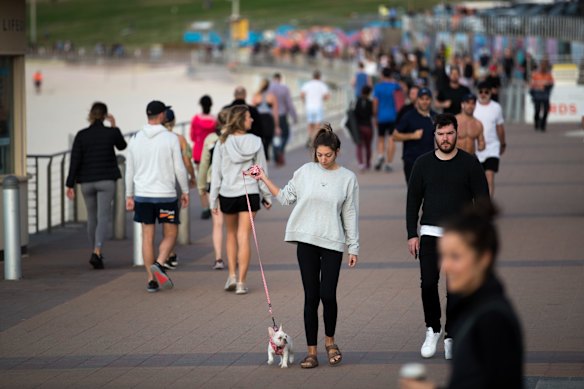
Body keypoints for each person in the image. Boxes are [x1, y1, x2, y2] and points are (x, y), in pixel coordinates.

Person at [252, 124, 359, 369]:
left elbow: (350, 213)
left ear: (337, 152)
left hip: (333, 242)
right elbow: (285, 197)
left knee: (328, 295)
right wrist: (263, 178)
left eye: (328, 155)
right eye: (319, 155)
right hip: (307, 242)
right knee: (311, 296)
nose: (323, 159)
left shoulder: (347, 178)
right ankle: (311, 352)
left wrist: (353, 247)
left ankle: (330, 342)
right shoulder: (304, 172)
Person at [400, 201, 523, 389]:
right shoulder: (471, 305)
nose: (446, 266)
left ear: (484, 258)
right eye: (443, 256)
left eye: (455, 256)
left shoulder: (492, 319)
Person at [406, 113, 489, 361]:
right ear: (435, 135)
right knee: (429, 283)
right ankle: (433, 328)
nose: (445, 138)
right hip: (430, 232)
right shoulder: (422, 164)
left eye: (450, 133)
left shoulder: (470, 163)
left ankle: (452, 334)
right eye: (441, 134)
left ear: (456, 133)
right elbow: (412, 202)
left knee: (455, 288)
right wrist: (412, 234)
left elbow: (482, 201)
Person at [125, 100, 189, 293]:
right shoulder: (170, 138)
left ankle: (151, 279)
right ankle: (160, 263)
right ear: (161, 116)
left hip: (143, 196)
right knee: (171, 234)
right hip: (166, 197)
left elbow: (130, 170)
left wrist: (129, 195)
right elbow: (179, 168)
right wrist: (185, 190)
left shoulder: (135, 138)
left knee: (147, 236)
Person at [210, 105, 272, 295]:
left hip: (228, 193)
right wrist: (266, 195)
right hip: (250, 192)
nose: (251, 120)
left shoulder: (222, 142)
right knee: (244, 236)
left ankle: (232, 275)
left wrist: (213, 199)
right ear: (240, 120)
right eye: (248, 117)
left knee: (230, 235)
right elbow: (260, 170)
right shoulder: (256, 142)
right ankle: (242, 283)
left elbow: (216, 173)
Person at [66, 102, 127, 269]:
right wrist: (114, 126)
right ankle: (97, 251)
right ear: (105, 115)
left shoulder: (81, 135)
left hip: (86, 182)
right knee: (103, 217)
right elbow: (122, 145)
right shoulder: (110, 133)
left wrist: (69, 184)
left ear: (91, 115)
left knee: (91, 218)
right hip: (106, 180)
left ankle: (95, 251)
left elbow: (75, 161)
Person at [163, 108, 196, 269]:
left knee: (164, 219)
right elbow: (187, 161)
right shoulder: (180, 139)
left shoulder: (158, 138)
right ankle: (170, 253)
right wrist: (192, 177)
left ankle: (167, 253)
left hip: (158, 182)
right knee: (171, 218)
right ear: (174, 122)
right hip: (174, 182)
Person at [198, 109, 229, 270]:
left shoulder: (211, 139)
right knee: (233, 225)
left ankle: (218, 258)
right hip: (231, 185)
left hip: (213, 183)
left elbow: (204, 164)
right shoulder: (234, 138)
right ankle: (235, 254)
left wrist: (201, 186)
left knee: (217, 223)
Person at [393, 88, 437, 183]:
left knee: (429, 192)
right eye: (422, 99)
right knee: (414, 193)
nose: (424, 102)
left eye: (427, 99)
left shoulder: (435, 117)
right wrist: (412, 136)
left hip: (430, 161)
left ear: (431, 100)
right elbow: (395, 136)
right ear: (417, 100)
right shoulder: (409, 116)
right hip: (411, 161)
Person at [474, 81, 506, 197]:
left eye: (486, 92)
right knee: (477, 179)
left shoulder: (496, 107)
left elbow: (500, 127)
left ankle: (488, 206)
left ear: (490, 93)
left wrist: (502, 143)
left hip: (492, 147)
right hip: (476, 149)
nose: (483, 94)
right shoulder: (473, 106)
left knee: (490, 176)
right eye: (480, 92)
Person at [190, 95, 217, 219]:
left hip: (198, 152)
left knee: (201, 180)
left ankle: (205, 207)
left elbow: (192, 136)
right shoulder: (215, 120)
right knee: (210, 179)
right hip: (211, 152)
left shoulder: (195, 119)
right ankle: (213, 204)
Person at [372, 67, 401, 172]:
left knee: (380, 138)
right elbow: (400, 101)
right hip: (393, 116)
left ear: (382, 75)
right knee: (391, 139)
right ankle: (389, 163)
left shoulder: (378, 87)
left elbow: (375, 102)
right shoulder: (396, 86)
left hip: (381, 116)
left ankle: (380, 156)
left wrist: (375, 116)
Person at [268, 73, 298, 166]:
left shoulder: (268, 88)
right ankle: (280, 150)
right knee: (285, 135)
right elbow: (289, 104)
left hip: (270, 116)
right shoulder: (284, 88)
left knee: (274, 136)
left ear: (273, 79)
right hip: (282, 115)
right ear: (280, 79)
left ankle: (276, 155)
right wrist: (294, 116)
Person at [252, 79, 280, 161]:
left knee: (259, 139)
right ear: (268, 86)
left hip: (259, 119)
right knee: (268, 139)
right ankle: (266, 158)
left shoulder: (256, 96)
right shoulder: (271, 96)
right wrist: (277, 126)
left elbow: (253, 111)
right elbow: (275, 112)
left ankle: (261, 157)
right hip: (268, 119)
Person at [300, 70, 330, 144]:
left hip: (309, 107)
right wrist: (322, 98)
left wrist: (305, 101)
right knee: (317, 125)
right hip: (318, 106)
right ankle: (315, 139)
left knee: (310, 124)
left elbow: (302, 94)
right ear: (319, 77)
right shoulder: (322, 85)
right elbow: (327, 96)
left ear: (312, 76)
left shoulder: (307, 84)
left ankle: (310, 138)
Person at [353, 85, 374, 171]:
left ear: (362, 92)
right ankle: (368, 163)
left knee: (359, 145)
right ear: (369, 93)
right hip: (368, 127)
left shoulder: (357, 101)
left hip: (359, 127)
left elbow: (353, 113)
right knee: (368, 146)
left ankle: (361, 163)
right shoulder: (370, 102)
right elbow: (372, 114)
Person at [529, 59, 554, 132]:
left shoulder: (549, 75)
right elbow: (531, 85)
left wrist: (546, 86)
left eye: (544, 65)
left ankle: (543, 124)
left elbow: (551, 84)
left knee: (546, 111)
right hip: (537, 95)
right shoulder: (535, 74)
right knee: (537, 110)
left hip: (545, 95)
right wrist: (534, 93)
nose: (543, 67)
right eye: (542, 65)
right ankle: (537, 122)